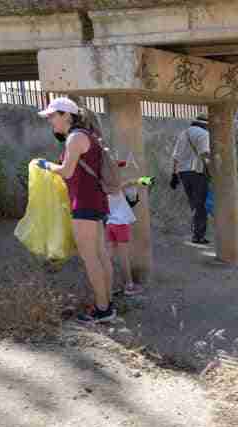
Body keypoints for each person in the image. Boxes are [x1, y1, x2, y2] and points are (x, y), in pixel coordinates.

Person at [34, 97, 114, 324]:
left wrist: (46, 165)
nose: (50, 121)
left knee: (91, 258)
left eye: (52, 116)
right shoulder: (88, 135)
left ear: (66, 115)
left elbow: (67, 172)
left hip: (85, 203)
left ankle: (102, 310)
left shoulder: (75, 138)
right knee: (100, 255)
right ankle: (107, 303)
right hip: (97, 201)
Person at [105, 167, 154, 296]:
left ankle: (106, 285)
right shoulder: (117, 186)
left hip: (110, 224)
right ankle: (129, 285)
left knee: (108, 257)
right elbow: (132, 182)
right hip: (121, 224)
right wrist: (146, 180)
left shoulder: (102, 188)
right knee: (123, 257)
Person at [170, 114, 211, 245]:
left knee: (193, 204)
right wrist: (212, 171)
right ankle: (198, 236)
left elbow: (176, 157)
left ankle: (195, 233)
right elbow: (204, 154)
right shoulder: (204, 134)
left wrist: (174, 175)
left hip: (183, 173)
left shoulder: (183, 134)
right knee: (200, 206)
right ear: (205, 124)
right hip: (197, 172)